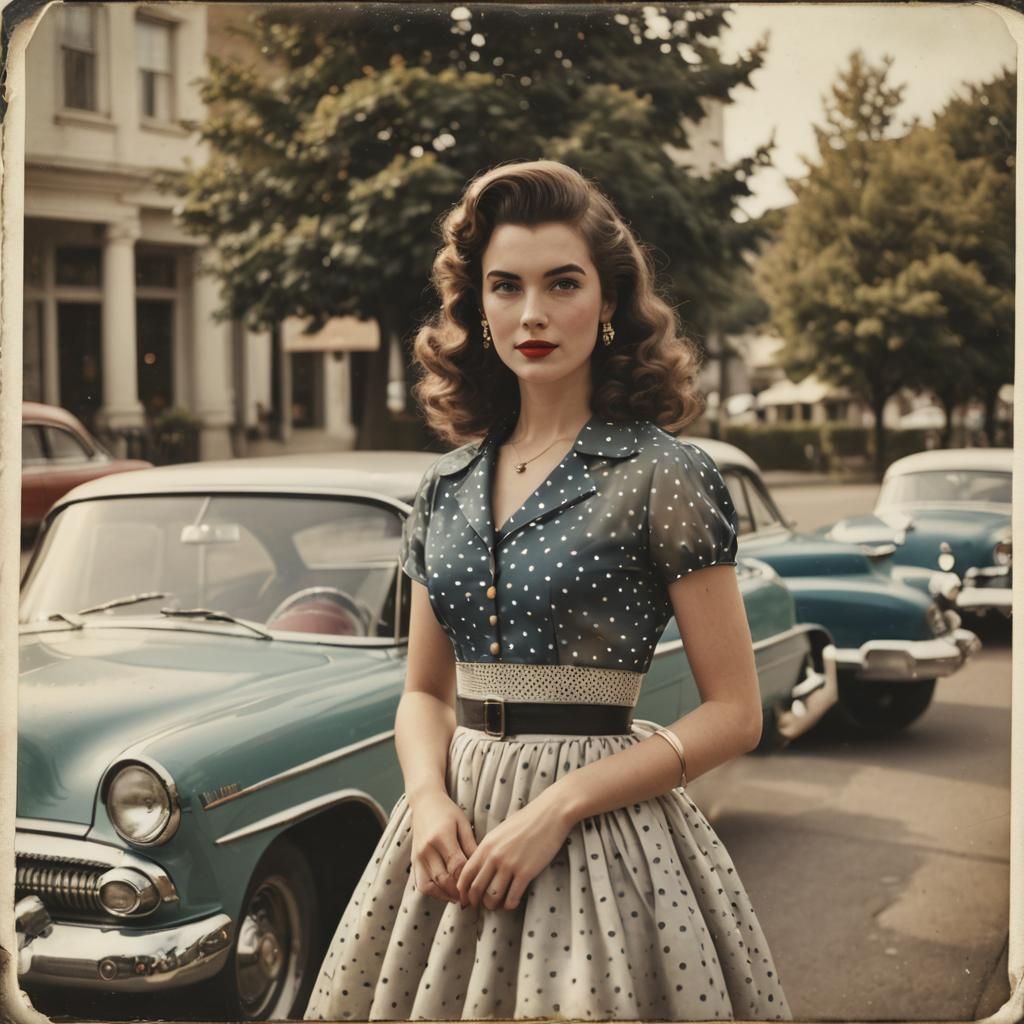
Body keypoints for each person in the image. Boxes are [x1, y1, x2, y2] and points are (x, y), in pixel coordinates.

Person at [305, 160, 792, 1022]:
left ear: (608, 304)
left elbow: (735, 713)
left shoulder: (663, 474)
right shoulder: (445, 485)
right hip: (450, 839)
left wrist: (557, 807)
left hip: (599, 836)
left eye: (561, 284)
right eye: (506, 286)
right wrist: (424, 801)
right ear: (478, 307)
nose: (531, 313)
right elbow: (423, 691)